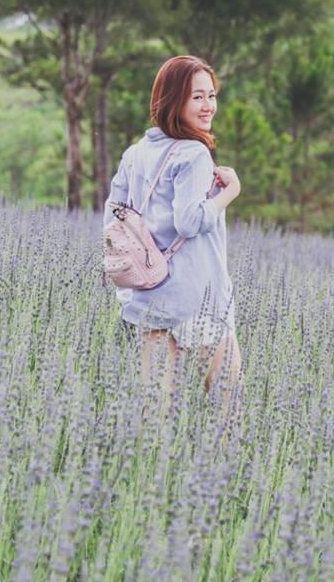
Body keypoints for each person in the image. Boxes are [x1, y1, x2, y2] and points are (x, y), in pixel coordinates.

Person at [103, 55, 242, 414]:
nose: (208, 106)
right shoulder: (194, 154)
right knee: (227, 408)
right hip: (198, 301)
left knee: (154, 415)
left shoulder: (135, 154)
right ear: (173, 99)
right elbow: (189, 222)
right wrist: (230, 192)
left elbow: (112, 216)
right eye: (197, 97)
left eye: (211, 95)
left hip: (147, 299)